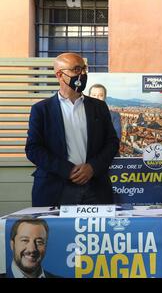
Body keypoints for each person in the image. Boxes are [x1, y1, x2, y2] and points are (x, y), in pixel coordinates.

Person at [25, 52, 120, 206]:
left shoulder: (99, 107)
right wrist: (67, 170)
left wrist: (92, 168)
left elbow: (112, 143)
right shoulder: (41, 110)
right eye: (76, 69)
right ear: (60, 75)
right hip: (55, 188)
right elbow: (33, 149)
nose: (82, 74)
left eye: (84, 69)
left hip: (95, 188)